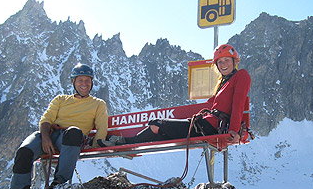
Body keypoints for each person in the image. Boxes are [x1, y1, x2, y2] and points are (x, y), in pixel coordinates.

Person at [98, 44, 251, 147]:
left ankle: (122, 142)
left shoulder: (241, 76)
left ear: (234, 61)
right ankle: (121, 142)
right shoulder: (223, 82)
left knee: (157, 124)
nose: (223, 64)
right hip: (204, 124)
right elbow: (212, 105)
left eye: (226, 60)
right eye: (220, 62)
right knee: (159, 133)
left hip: (208, 127)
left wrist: (234, 130)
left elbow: (238, 104)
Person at [7, 63, 108, 189]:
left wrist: (96, 144)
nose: (84, 84)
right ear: (73, 82)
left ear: (92, 83)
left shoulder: (98, 104)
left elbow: (102, 127)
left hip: (72, 138)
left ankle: (57, 184)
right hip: (49, 134)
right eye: (80, 80)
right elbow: (46, 119)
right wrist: (45, 138)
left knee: (74, 132)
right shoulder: (60, 99)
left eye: (87, 80)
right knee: (24, 152)